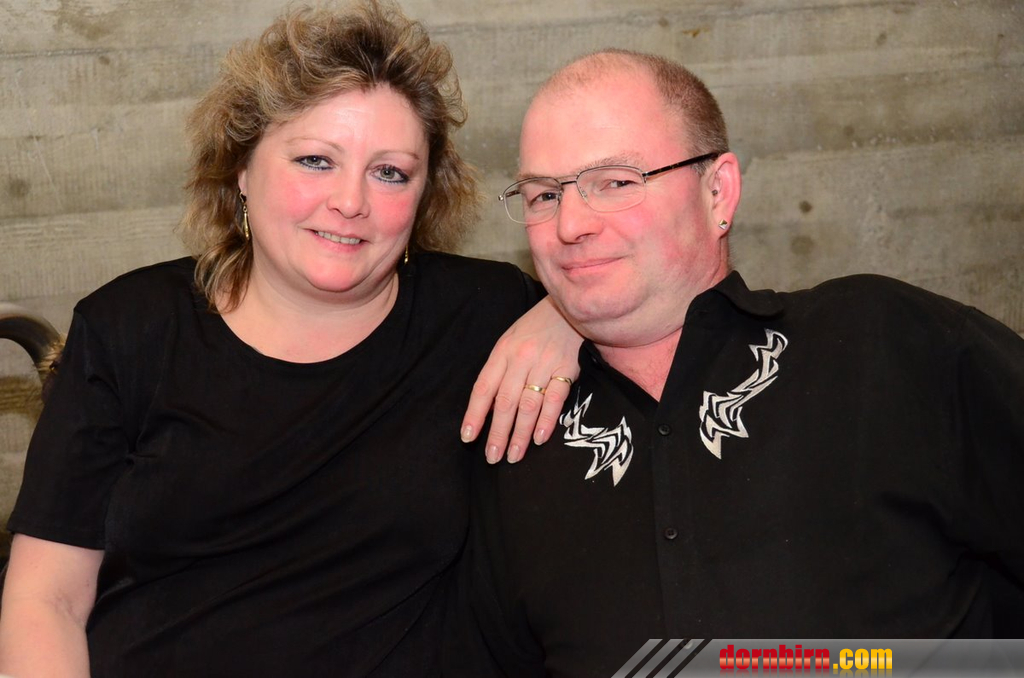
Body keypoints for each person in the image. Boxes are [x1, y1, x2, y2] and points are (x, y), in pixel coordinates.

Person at [0, 2, 582, 675]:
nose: (351, 202)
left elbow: (656, 303)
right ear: (241, 170)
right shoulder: (129, 328)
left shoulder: (485, 315)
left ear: (425, 194)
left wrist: (570, 318)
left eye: (390, 172)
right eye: (315, 160)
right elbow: (46, 600)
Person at [445, 49, 1024, 677]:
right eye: (543, 195)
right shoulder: (519, 443)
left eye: (615, 182)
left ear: (718, 190)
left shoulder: (885, 343)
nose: (570, 224)